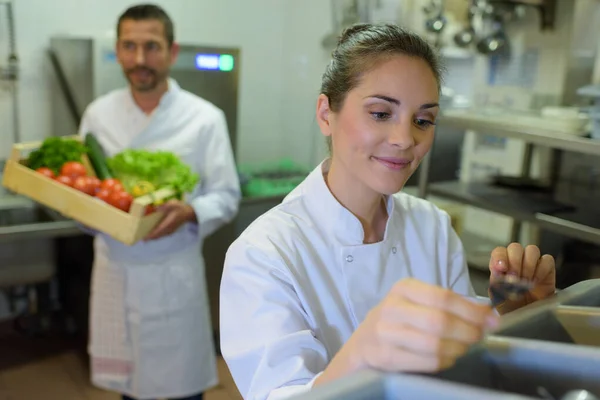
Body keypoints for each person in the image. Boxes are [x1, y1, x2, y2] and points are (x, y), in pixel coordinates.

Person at [219, 23, 556, 400]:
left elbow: (463, 365)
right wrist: (364, 354)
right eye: (380, 113)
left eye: (423, 120)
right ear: (326, 114)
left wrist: (513, 310)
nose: (404, 139)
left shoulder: (431, 226)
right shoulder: (265, 254)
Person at [77, 4, 241, 400]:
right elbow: (84, 190)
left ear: (171, 50)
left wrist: (191, 210)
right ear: (117, 50)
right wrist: (89, 212)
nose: (139, 59)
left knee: (180, 390)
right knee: (128, 390)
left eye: (151, 46)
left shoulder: (204, 118)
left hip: (172, 275)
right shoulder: (98, 115)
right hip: (116, 272)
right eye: (129, 47)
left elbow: (226, 195)